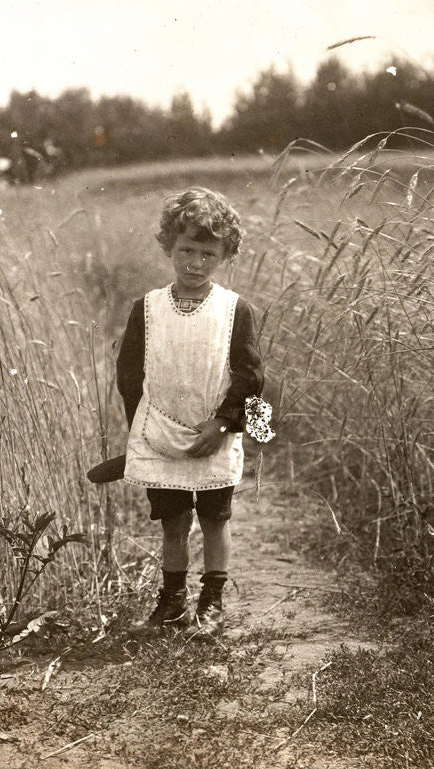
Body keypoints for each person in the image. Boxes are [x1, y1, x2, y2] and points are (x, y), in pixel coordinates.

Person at [116, 187, 264, 639]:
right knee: (174, 522)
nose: (195, 263)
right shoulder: (147, 308)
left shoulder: (235, 310)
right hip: (161, 435)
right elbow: (130, 376)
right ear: (169, 246)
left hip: (213, 433)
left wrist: (223, 424)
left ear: (224, 255)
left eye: (207, 254)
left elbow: (251, 376)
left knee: (215, 519)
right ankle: (172, 602)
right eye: (186, 251)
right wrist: (143, 433)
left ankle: (212, 602)